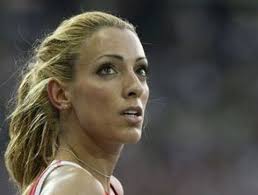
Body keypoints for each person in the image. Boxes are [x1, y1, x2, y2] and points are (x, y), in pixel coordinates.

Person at [4, 11, 149, 195]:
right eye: (107, 69)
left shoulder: (108, 186)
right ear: (61, 94)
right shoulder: (75, 186)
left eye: (140, 70)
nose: (136, 86)